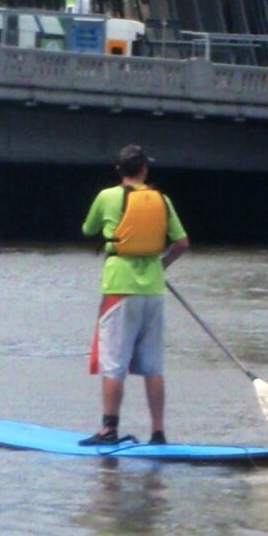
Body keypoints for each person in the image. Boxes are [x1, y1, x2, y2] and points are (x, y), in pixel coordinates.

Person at [79, 144, 188, 446]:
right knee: (153, 366)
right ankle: (158, 433)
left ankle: (108, 430)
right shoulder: (162, 200)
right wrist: (161, 265)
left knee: (114, 363)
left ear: (119, 171)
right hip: (153, 290)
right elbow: (181, 243)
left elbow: (88, 229)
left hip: (120, 288)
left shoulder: (106, 196)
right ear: (144, 170)